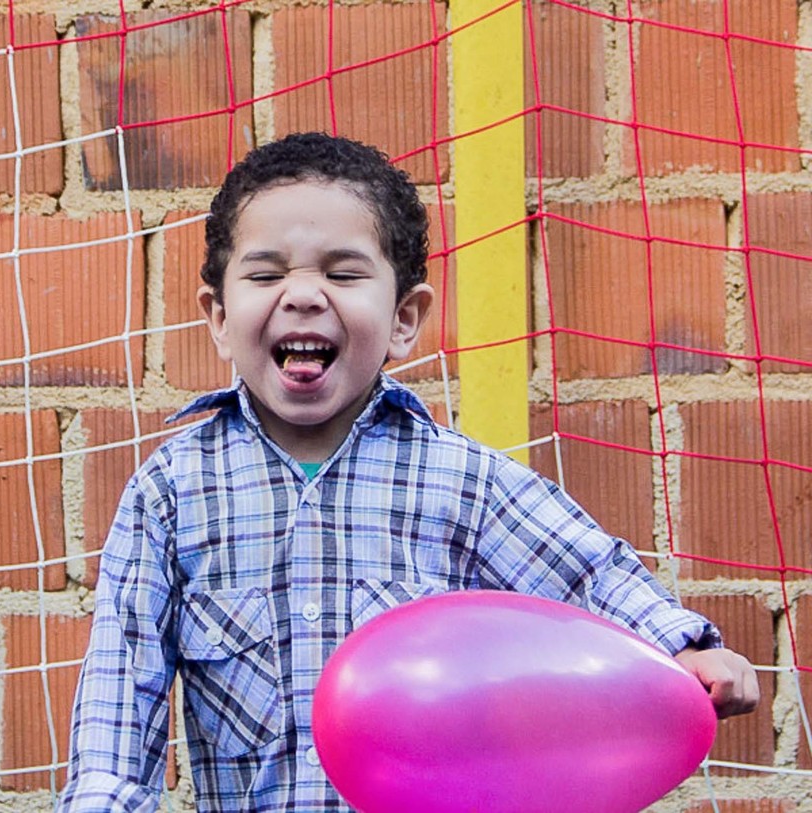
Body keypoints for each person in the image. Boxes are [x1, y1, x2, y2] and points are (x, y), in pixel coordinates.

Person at [56, 132, 759, 812]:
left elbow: (588, 573)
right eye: (266, 273)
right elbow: (117, 727)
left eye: (343, 272)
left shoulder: (461, 482)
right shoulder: (172, 494)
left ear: (404, 318)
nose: (302, 295)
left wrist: (684, 646)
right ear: (217, 316)